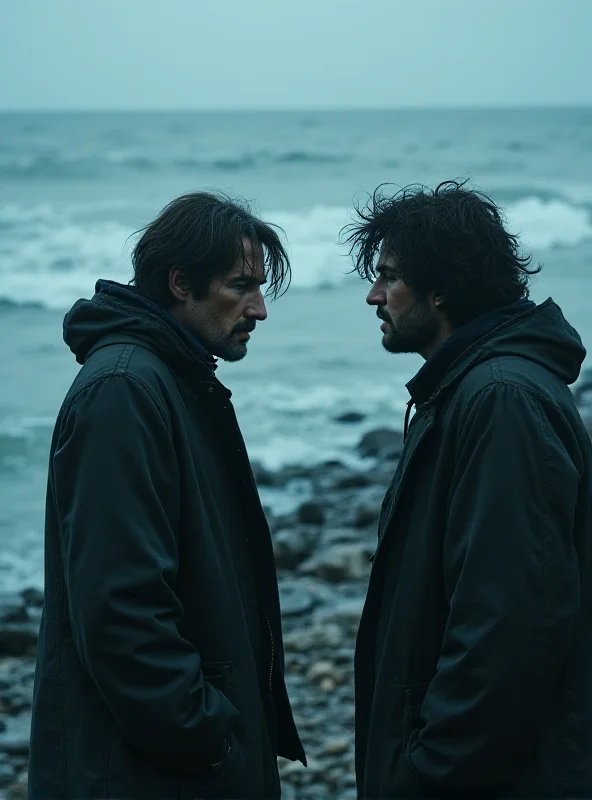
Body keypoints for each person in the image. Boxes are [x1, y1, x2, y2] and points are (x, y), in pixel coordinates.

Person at [28, 192, 306, 799]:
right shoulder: (126, 388)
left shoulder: (173, 378)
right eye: (241, 286)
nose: (259, 309)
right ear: (181, 283)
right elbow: (120, 611)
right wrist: (210, 742)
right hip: (144, 776)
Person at [345, 181, 592, 798]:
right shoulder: (469, 389)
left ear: (442, 288)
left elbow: (511, 625)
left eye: (390, 277)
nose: (374, 296)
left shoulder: (501, 400)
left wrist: (426, 773)